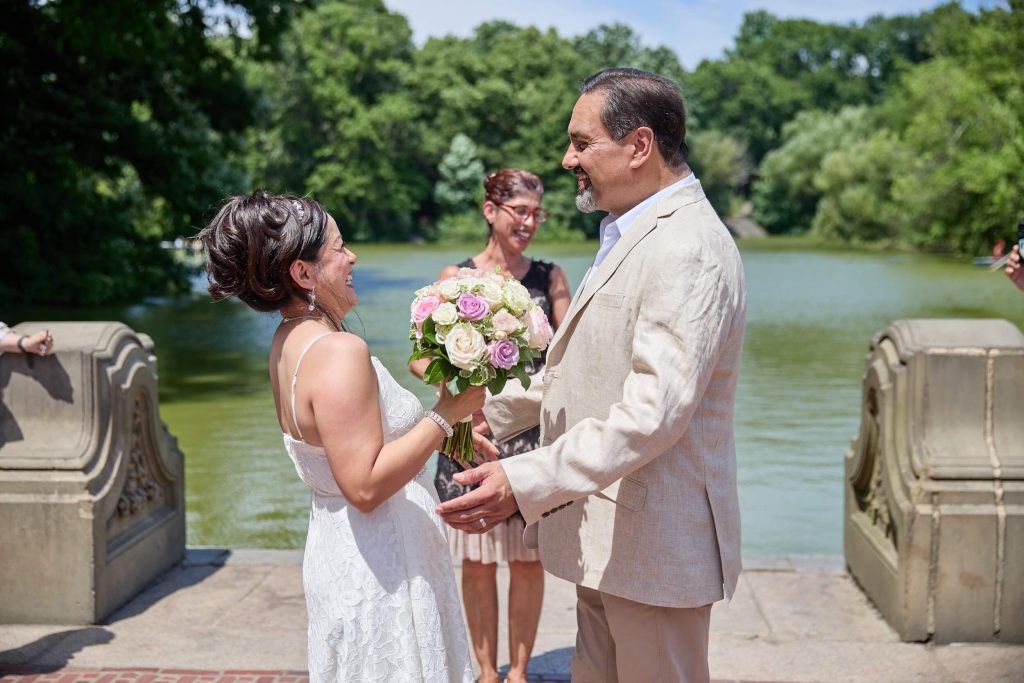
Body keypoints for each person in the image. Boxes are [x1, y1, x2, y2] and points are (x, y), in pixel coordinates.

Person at [436, 68, 747, 683]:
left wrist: (523, 479)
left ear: (638, 147)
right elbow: (582, 367)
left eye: (581, 142)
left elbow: (652, 413)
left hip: (657, 548)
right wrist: (485, 409)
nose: (566, 157)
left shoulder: (687, 247)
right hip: (609, 540)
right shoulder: (629, 229)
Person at [199, 190, 497, 683]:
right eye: (339, 248)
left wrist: (452, 439)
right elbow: (363, 486)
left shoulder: (289, 339)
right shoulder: (338, 351)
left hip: (348, 552)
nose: (352, 256)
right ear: (303, 273)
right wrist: (447, 412)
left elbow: (352, 439)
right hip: (383, 563)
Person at [410, 169, 571, 683]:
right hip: (466, 433)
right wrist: (460, 386)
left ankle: (519, 673)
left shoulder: (550, 278)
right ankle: (485, 673)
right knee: (477, 562)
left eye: (536, 213)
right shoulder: (454, 277)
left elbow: (567, 357)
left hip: (532, 440)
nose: (529, 222)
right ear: (491, 211)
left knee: (528, 562)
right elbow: (419, 360)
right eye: (520, 211)